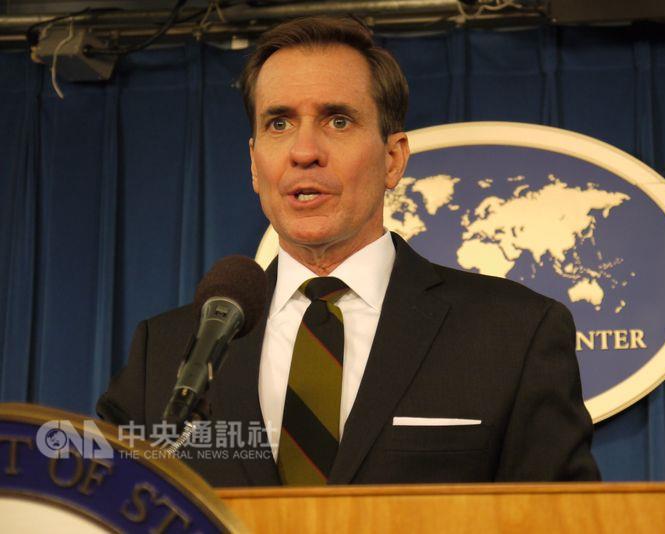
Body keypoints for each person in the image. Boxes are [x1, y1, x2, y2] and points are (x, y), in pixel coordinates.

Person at [97, 16, 600, 486]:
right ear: (254, 164)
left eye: (337, 121)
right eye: (279, 124)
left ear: (393, 159)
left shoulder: (514, 334)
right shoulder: (164, 353)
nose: (304, 152)